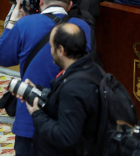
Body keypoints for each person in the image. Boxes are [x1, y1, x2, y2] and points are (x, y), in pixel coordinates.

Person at [0, 0, 91, 156]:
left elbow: (1, 56)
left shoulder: (25, 24)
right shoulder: (82, 28)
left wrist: (13, 21)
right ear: (69, 5)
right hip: (68, 119)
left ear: (40, 0)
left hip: (30, 118)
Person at [24, 23, 102, 155]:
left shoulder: (74, 88)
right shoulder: (91, 69)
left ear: (61, 50)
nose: (50, 51)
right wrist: (39, 91)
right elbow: (65, 106)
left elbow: (65, 138)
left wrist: (37, 114)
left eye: (51, 47)